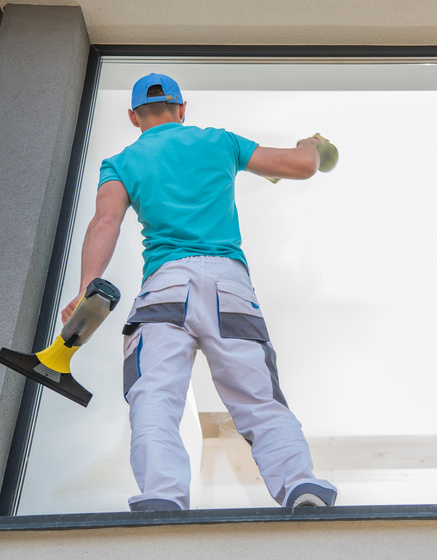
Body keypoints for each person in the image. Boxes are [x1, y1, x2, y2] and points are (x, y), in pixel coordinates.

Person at [60, 73, 337, 512]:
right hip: (230, 287)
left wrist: (85, 289)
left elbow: (105, 223)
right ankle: (300, 486)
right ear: (182, 108)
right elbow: (303, 166)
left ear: (134, 116)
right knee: (257, 398)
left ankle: (162, 497)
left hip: (165, 288)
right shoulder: (220, 143)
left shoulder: (121, 162)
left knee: (155, 394)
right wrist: (311, 144)